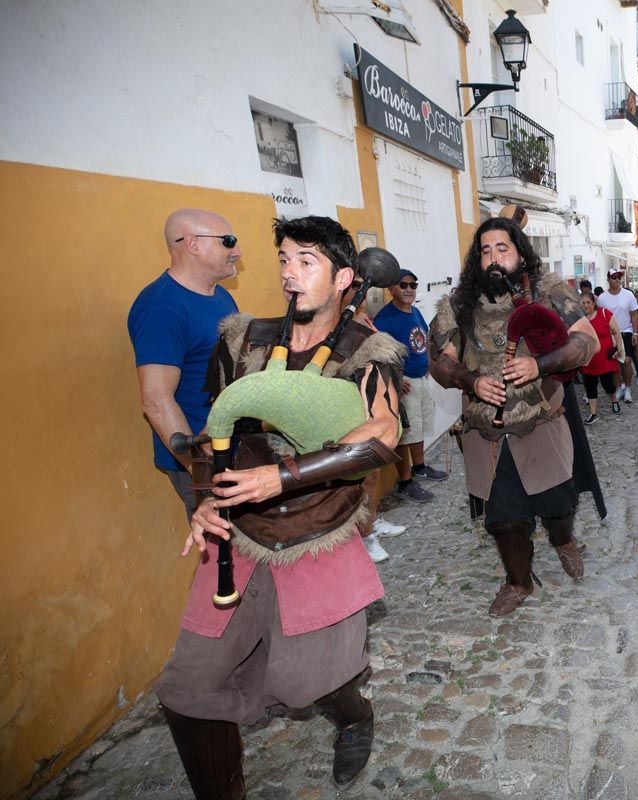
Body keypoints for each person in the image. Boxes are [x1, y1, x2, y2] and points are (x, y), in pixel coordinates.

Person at [154, 216, 405, 794]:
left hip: (320, 533)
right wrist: (204, 502)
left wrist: (281, 478)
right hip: (239, 536)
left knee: (311, 682)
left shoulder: (367, 350)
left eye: (307, 261)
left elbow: (382, 434)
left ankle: (353, 715)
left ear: (344, 276)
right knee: (186, 687)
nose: (290, 274)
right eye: (285, 260)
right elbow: (213, 436)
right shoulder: (241, 339)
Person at [428, 217, 599, 617]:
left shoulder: (550, 292)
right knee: (504, 519)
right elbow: (439, 364)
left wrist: (541, 365)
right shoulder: (458, 306)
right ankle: (518, 582)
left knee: (557, 505)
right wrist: (471, 381)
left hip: (541, 419)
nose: (493, 258)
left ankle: (564, 541)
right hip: (487, 431)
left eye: (501, 249)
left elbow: (586, 341)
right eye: (485, 250)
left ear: (519, 253)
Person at [128, 208, 241, 518]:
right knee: (225, 555)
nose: (237, 252)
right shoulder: (162, 308)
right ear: (191, 243)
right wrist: (203, 474)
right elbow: (156, 401)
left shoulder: (219, 296)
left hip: (231, 449)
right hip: (203, 462)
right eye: (228, 242)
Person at [373, 269, 448, 515]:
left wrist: (427, 363)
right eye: (403, 285)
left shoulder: (414, 312)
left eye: (413, 285)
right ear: (391, 289)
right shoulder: (385, 319)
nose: (408, 289)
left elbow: (423, 338)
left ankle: (420, 467)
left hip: (420, 378)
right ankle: (405, 482)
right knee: (405, 431)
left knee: (420, 424)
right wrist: (395, 379)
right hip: (403, 383)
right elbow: (377, 353)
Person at [596, 268, 638, 403]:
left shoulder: (628, 295)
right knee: (614, 362)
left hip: (625, 330)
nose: (617, 280)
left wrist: (635, 332)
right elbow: (600, 316)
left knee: (626, 361)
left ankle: (627, 388)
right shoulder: (602, 298)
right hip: (610, 334)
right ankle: (620, 386)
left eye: (619, 277)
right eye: (614, 277)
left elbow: (634, 314)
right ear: (608, 279)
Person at [579, 290, 623, 424]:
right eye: (583, 303)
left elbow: (616, 331)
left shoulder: (604, 313)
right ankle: (593, 413)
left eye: (588, 302)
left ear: (594, 303)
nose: (586, 305)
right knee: (590, 385)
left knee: (607, 384)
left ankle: (614, 400)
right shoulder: (580, 319)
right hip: (589, 358)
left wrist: (619, 348)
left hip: (604, 357)